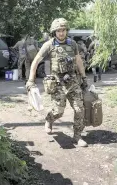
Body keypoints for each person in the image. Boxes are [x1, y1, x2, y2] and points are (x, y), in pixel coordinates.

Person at [26, 18, 88, 147]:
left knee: (79, 109)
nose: (61, 33)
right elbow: (36, 61)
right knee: (58, 111)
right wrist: (31, 80)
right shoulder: (49, 45)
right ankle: (49, 119)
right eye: (58, 30)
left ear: (66, 31)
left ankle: (77, 136)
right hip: (57, 83)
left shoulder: (73, 44)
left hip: (72, 81)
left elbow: (78, 61)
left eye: (63, 30)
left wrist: (84, 77)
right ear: (54, 32)